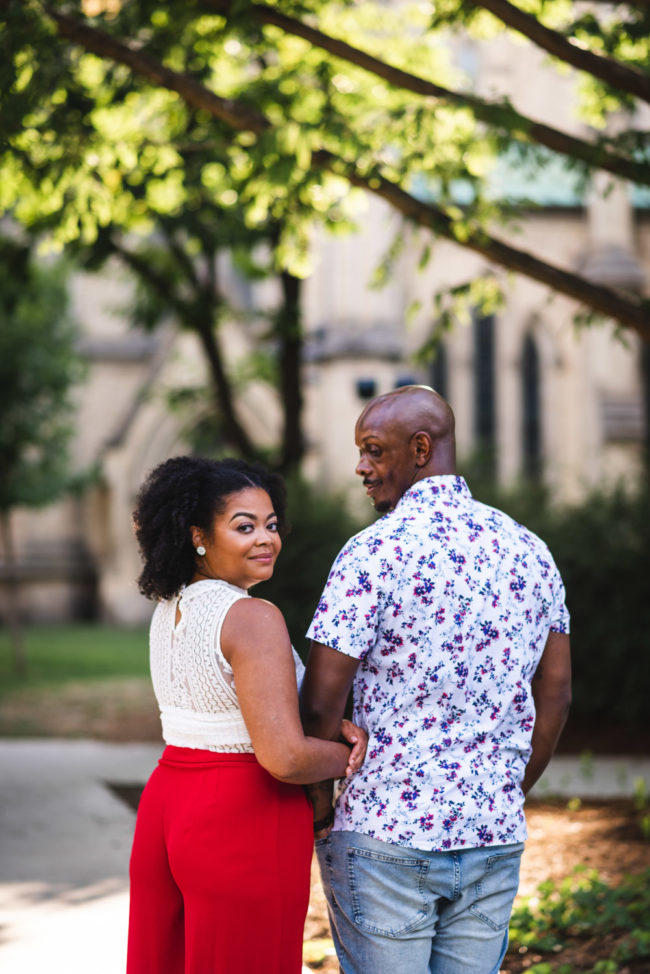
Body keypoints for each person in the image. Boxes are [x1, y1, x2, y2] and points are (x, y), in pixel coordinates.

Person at [300, 385, 572, 974]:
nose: (361, 468)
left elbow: (320, 704)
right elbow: (556, 694)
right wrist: (503, 791)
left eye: (373, 451)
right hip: (492, 835)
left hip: (382, 837)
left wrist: (320, 809)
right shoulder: (530, 551)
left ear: (420, 448)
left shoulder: (370, 554)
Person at [126, 455, 367, 974]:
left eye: (271, 524)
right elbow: (284, 756)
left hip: (168, 807)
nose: (266, 538)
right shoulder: (252, 617)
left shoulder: (171, 608)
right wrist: (350, 752)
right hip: (241, 817)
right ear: (198, 536)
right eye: (244, 526)